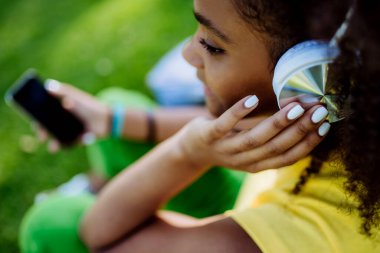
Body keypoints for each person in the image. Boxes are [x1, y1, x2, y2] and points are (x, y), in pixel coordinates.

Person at [21, 0, 380, 252]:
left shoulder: (304, 239)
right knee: (119, 107)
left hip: (252, 227)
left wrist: (188, 154)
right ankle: (104, 182)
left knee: (54, 225)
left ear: (315, 77)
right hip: (253, 194)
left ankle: (101, 191)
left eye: (211, 45)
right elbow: (233, 126)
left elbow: (98, 235)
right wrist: (110, 120)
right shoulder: (338, 119)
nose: (188, 54)